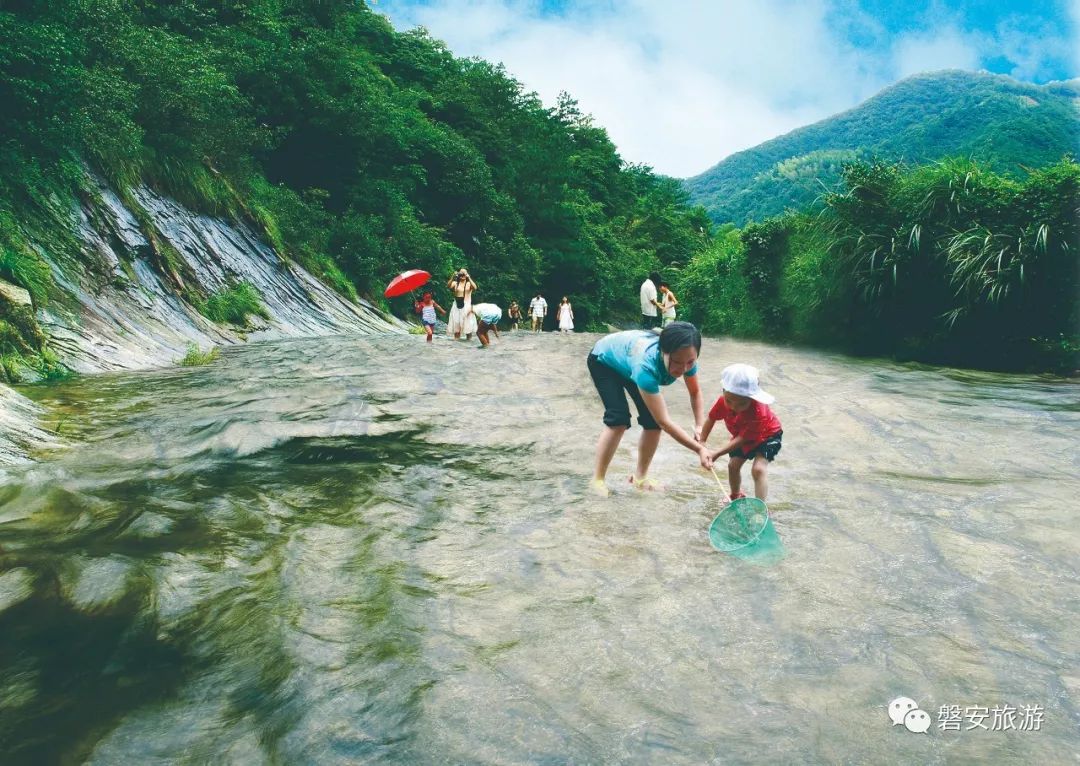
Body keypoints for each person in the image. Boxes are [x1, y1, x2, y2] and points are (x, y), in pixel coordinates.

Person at [587, 322, 712, 496]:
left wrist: (700, 426)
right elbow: (665, 422)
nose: (683, 369)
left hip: (628, 361)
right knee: (618, 418)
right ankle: (598, 479)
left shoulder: (687, 358)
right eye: (676, 362)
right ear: (663, 351)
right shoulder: (646, 366)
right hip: (604, 360)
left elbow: (695, 392)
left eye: (690, 362)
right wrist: (699, 449)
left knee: (652, 423)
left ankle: (640, 478)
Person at [698, 363, 782, 501]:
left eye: (742, 404)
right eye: (729, 401)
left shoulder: (758, 412)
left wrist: (717, 453)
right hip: (743, 436)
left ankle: (761, 506)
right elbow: (711, 419)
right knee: (732, 465)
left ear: (752, 398)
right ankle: (736, 495)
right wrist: (702, 441)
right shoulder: (722, 402)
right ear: (723, 391)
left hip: (768, 435)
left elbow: (743, 438)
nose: (734, 407)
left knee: (758, 469)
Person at [446, 268, 477, 340]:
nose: (462, 275)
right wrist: (452, 277)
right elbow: (448, 286)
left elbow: (475, 288)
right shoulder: (455, 283)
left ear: (466, 274)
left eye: (464, 274)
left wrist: (469, 278)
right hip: (456, 305)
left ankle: (468, 343)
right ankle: (457, 344)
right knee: (456, 325)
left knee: (467, 326)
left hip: (466, 306)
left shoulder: (469, 284)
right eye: (461, 274)